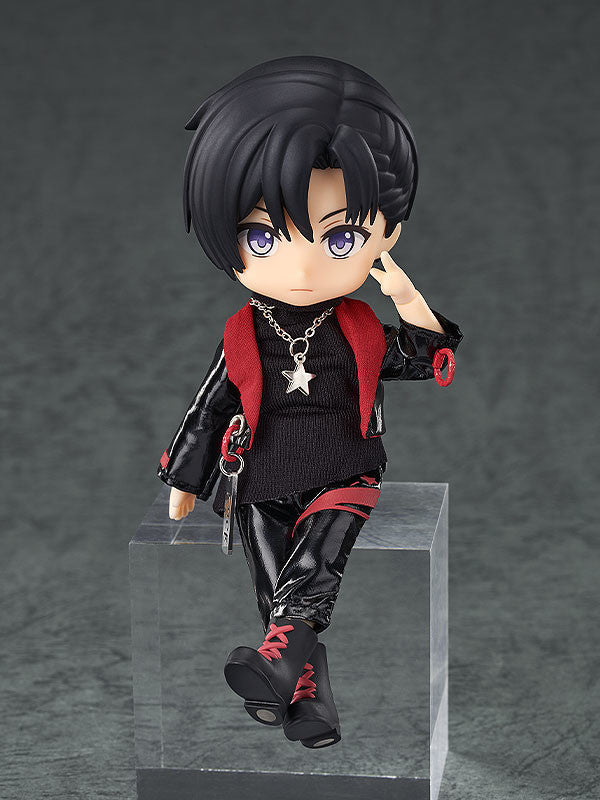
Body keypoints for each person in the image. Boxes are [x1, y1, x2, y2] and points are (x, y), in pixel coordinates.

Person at [157, 55, 463, 749]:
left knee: (314, 569)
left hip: (343, 470)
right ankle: (308, 700)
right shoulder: (244, 332)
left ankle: (285, 664)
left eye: (340, 237)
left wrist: (406, 297)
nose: (300, 267)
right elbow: (210, 407)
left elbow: (424, 358)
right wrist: (185, 480)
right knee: (275, 596)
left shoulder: (358, 328)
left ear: (385, 234)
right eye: (262, 236)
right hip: (260, 477)